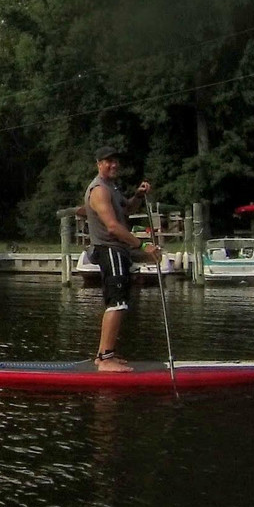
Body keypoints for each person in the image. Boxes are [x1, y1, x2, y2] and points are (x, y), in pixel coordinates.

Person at [83, 146, 161, 371]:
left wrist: (138, 195)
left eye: (115, 161)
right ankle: (105, 359)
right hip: (109, 249)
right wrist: (143, 245)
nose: (114, 165)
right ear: (99, 164)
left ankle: (104, 355)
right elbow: (113, 226)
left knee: (119, 303)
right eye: (108, 161)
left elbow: (126, 211)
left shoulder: (112, 187)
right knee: (117, 303)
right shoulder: (99, 190)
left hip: (117, 250)